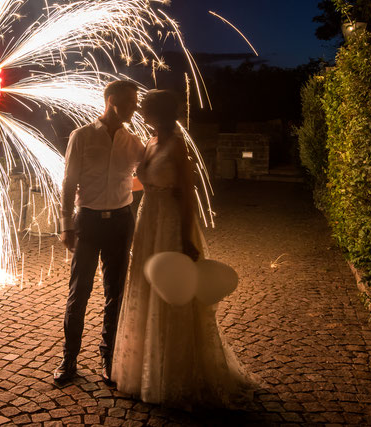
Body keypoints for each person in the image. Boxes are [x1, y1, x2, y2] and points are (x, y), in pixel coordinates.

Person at [111, 89, 253, 407]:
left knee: (173, 293)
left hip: (171, 222)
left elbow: (188, 194)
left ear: (157, 113)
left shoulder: (176, 146)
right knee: (146, 288)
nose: (140, 112)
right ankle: (144, 368)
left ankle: (175, 372)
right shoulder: (149, 143)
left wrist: (187, 238)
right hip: (148, 220)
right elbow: (141, 182)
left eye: (144, 108)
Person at [53, 80, 144, 385]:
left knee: (115, 293)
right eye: (130, 101)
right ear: (111, 99)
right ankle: (69, 359)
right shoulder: (82, 136)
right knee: (79, 294)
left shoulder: (134, 143)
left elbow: (147, 177)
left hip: (121, 222)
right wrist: (66, 224)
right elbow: (68, 182)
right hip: (88, 222)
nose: (135, 106)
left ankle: (109, 358)